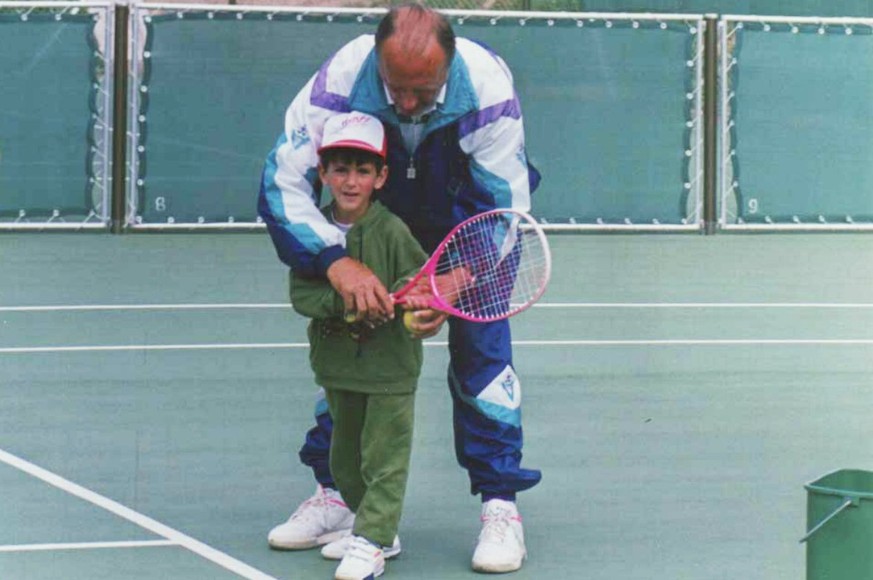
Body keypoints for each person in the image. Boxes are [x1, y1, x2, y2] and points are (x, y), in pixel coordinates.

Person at [258, 3, 541, 573]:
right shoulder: (341, 79)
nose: (407, 103)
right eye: (396, 88)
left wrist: (455, 280)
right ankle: (339, 497)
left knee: (483, 366)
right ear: (377, 59)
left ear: (450, 64)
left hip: (467, 227)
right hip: (376, 217)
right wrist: (337, 262)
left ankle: (500, 505)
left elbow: (504, 208)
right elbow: (283, 181)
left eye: (424, 89)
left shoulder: (486, 88)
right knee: (350, 352)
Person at [290, 110, 428, 580]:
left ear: (381, 176)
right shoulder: (310, 232)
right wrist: (350, 301)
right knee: (344, 461)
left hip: (390, 370)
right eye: (341, 169)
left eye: (363, 170)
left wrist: (413, 301)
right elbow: (302, 293)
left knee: (383, 460)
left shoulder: (392, 231)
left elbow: (418, 278)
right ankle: (373, 529)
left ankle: (371, 540)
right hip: (337, 369)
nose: (351, 181)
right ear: (323, 173)